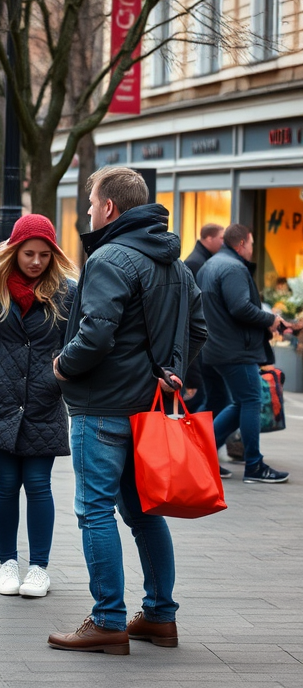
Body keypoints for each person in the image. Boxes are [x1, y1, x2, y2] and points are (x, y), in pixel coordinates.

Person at [48, 166, 207, 654]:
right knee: (142, 512)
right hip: (147, 410)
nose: (89, 211)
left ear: (110, 207)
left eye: (92, 203)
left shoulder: (110, 257)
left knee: (95, 510)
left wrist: (62, 367)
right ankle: (160, 616)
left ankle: (108, 620)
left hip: (102, 406)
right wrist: (171, 371)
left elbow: (95, 333)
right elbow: (197, 330)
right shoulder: (175, 264)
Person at [0, 215, 76, 598]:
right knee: (5, 484)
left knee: (39, 485)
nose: (35, 262)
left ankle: (38, 568)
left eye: (43, 254)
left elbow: (79, 340)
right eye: (27, 253)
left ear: (53, 255)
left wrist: (59, 375)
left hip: (43, 400)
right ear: (14, 251)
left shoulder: (66, 292)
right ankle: (8, 562)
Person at [197, 223, 291, 484]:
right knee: (251, 401)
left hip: (217, 347)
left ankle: (201, 453)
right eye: (250, 244)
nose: (251, 249)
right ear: (241, 244)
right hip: (236, 350)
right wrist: (269, 319)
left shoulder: (211, 265)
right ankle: (254, 465)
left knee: (239, 402)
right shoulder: (233, 267)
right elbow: (241, 308)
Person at [183, 224, 225, 412]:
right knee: (201, 401)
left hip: (202, 346)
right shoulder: (196, 263)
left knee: (210, 399)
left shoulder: (203, 261)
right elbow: (190, 315)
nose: (224, 243)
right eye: (221, 238)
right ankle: (198, 441)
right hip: (198, 348)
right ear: (208, 238)